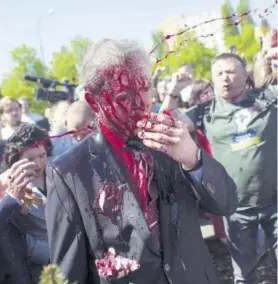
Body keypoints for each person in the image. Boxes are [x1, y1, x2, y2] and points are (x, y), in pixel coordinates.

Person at [45, 39, 238, 284]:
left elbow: (227, 203)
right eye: (125, 95)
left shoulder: (171, 136)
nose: (141, 102)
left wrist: (194, 160)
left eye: (145, 86)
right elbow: (68, 275)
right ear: (95, 102)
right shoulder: (70, 172)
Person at [179, 53, 277, 284]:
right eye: (219, 73)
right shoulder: (205, 112)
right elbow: (169, 123)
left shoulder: (267, 96)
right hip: (237, 208)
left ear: (245, 74)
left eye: (231, 71)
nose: (225, 78)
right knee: (244, 274)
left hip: (275, 203)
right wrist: (175, 91)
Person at [0, 123, 52, 284]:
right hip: (40, 267)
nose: (38, 164)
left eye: (42, 156)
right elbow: (15, 235)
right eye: (30, 159)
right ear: (17, 160)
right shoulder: (5, 188)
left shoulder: (58, 172)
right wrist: (50, 253)